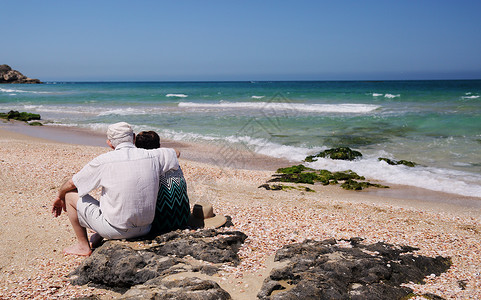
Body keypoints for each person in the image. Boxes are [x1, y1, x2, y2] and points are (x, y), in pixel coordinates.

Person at [51, 122, 180, 256]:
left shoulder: (103, 161)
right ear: (134, 138)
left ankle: (83, 246)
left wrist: (59, 196)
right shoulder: (154, 155)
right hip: (146, 228)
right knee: (117, 197)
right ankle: (98, 235)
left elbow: (72, 183)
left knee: (70, 195)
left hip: (115, 230)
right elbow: (176, 153)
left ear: (109, 143)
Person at [135, 131, 190, 234]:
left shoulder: (143, 163)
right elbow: (177, 151)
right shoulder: (170, 156)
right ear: (159, 145)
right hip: (183, 218)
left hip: (159, 223)